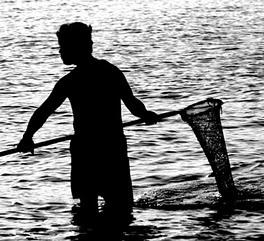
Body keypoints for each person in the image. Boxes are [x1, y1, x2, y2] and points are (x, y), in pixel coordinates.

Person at [17, 22, 158, 222]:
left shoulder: (70, 81)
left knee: (87, 212)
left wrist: (27, 137)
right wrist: (146, 116)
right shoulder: (110, 71)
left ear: (76, 47)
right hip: (112, 148)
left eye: (63, 47)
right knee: (120, 209)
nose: (60, 52)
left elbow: (44, 111)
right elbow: (133, 105)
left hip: (86, 151)